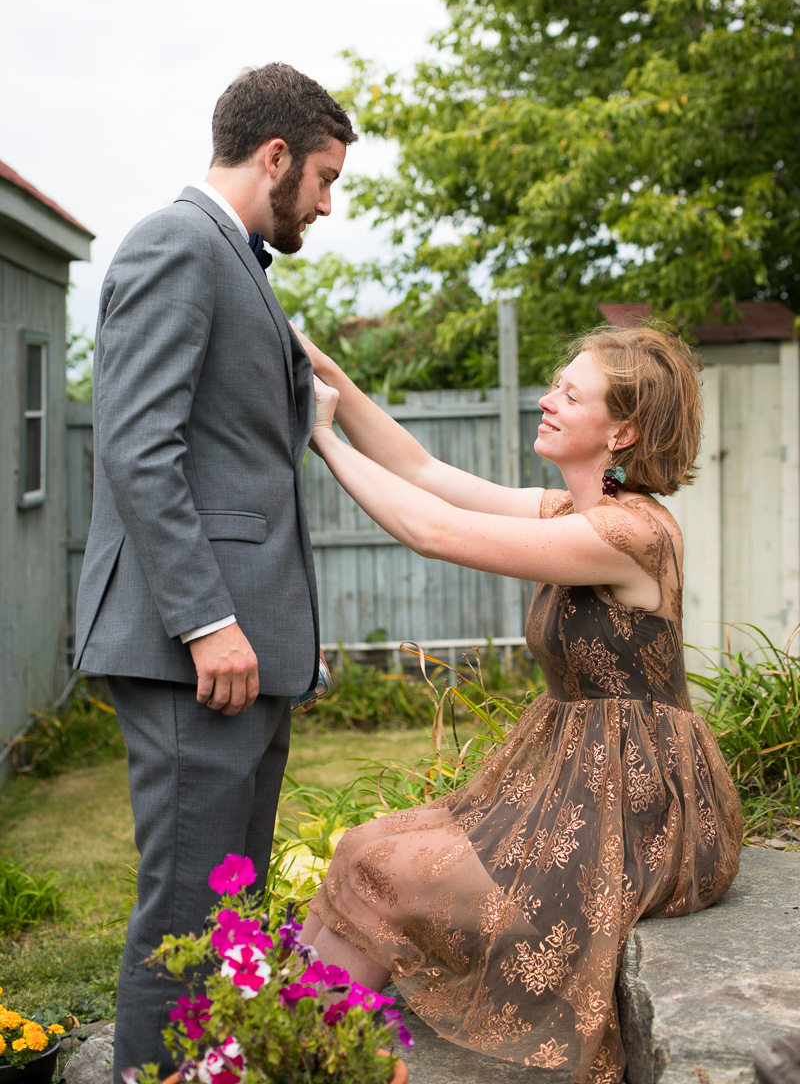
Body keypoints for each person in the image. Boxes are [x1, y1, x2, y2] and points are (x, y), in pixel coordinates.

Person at [297, 323, 743, 1083]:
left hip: (641, 806)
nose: (548, 400)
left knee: (388, 868)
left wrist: (323, 439)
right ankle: (298, 1048)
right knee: (361, 848)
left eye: (571, 394)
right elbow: (423, 469)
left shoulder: (629, 534)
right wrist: (321, 362)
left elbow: (429, 529)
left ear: (623, 431)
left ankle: (300, 1054)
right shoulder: (569, 516)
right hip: (580, 780)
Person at [73, 63, 356, 1080]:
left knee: (230, 909)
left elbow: (229, 463)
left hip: (241, 651)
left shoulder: (229, 259)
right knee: (189, 910)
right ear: (272, 155)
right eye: (322, 177)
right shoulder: (174, 243)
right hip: (189, 647)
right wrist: (205, 622)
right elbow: (137, 447)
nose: (326, 203)